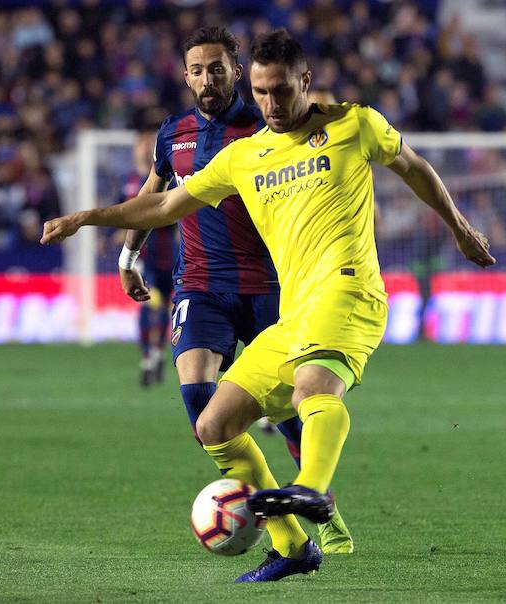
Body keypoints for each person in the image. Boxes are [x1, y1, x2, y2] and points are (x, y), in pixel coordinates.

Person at [42, 29, 495, 582]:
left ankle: (312, 492)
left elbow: (415, 166)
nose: (271, 105)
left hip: (349, 290)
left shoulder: (354, 122)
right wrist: (86, 218)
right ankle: (294, 547)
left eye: (280, 91)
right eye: (260, 93)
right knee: (213, 426)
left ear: (304, 81)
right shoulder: (244, 155)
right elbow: (162, 204)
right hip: (292, 310)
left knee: (311, 389)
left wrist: (460, 227)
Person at [116, 26, 353, 554]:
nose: (207, 78)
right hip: (199, 286)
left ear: (237, 72)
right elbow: (154, 196)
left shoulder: (265, 125)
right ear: (185, 76)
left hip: (269, 285)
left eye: (217, 68)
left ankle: (323, 501)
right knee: (203, 413)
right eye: (197, 70)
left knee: (292, 408)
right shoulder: (172, 134)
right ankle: (284, 531)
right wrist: (129, 254)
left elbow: (326, 126)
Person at [118, 131, 177, 387]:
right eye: (139, 144)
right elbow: (120, 213)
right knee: (148, 303)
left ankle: (156, 352)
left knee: (164, 305)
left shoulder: (166, 178)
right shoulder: (129, 182)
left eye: (147, 144)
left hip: (169, 254)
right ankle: (147, 355)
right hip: (144, 255)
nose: (142, 148)